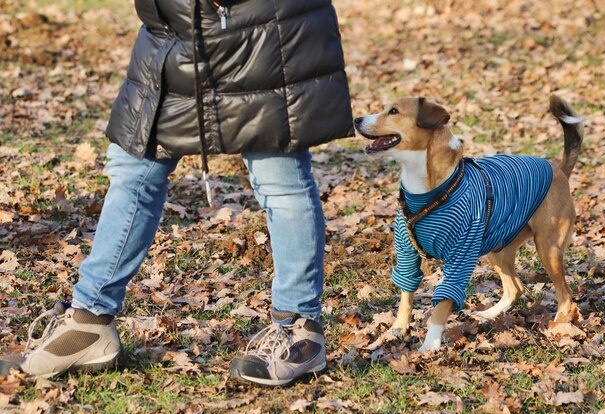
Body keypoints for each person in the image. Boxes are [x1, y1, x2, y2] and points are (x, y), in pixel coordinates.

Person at [7, 0, 353, 386]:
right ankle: (89, 323)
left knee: (279, 178)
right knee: (133, 167)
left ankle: (298, 331)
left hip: (263, 27)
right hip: (172, 31)